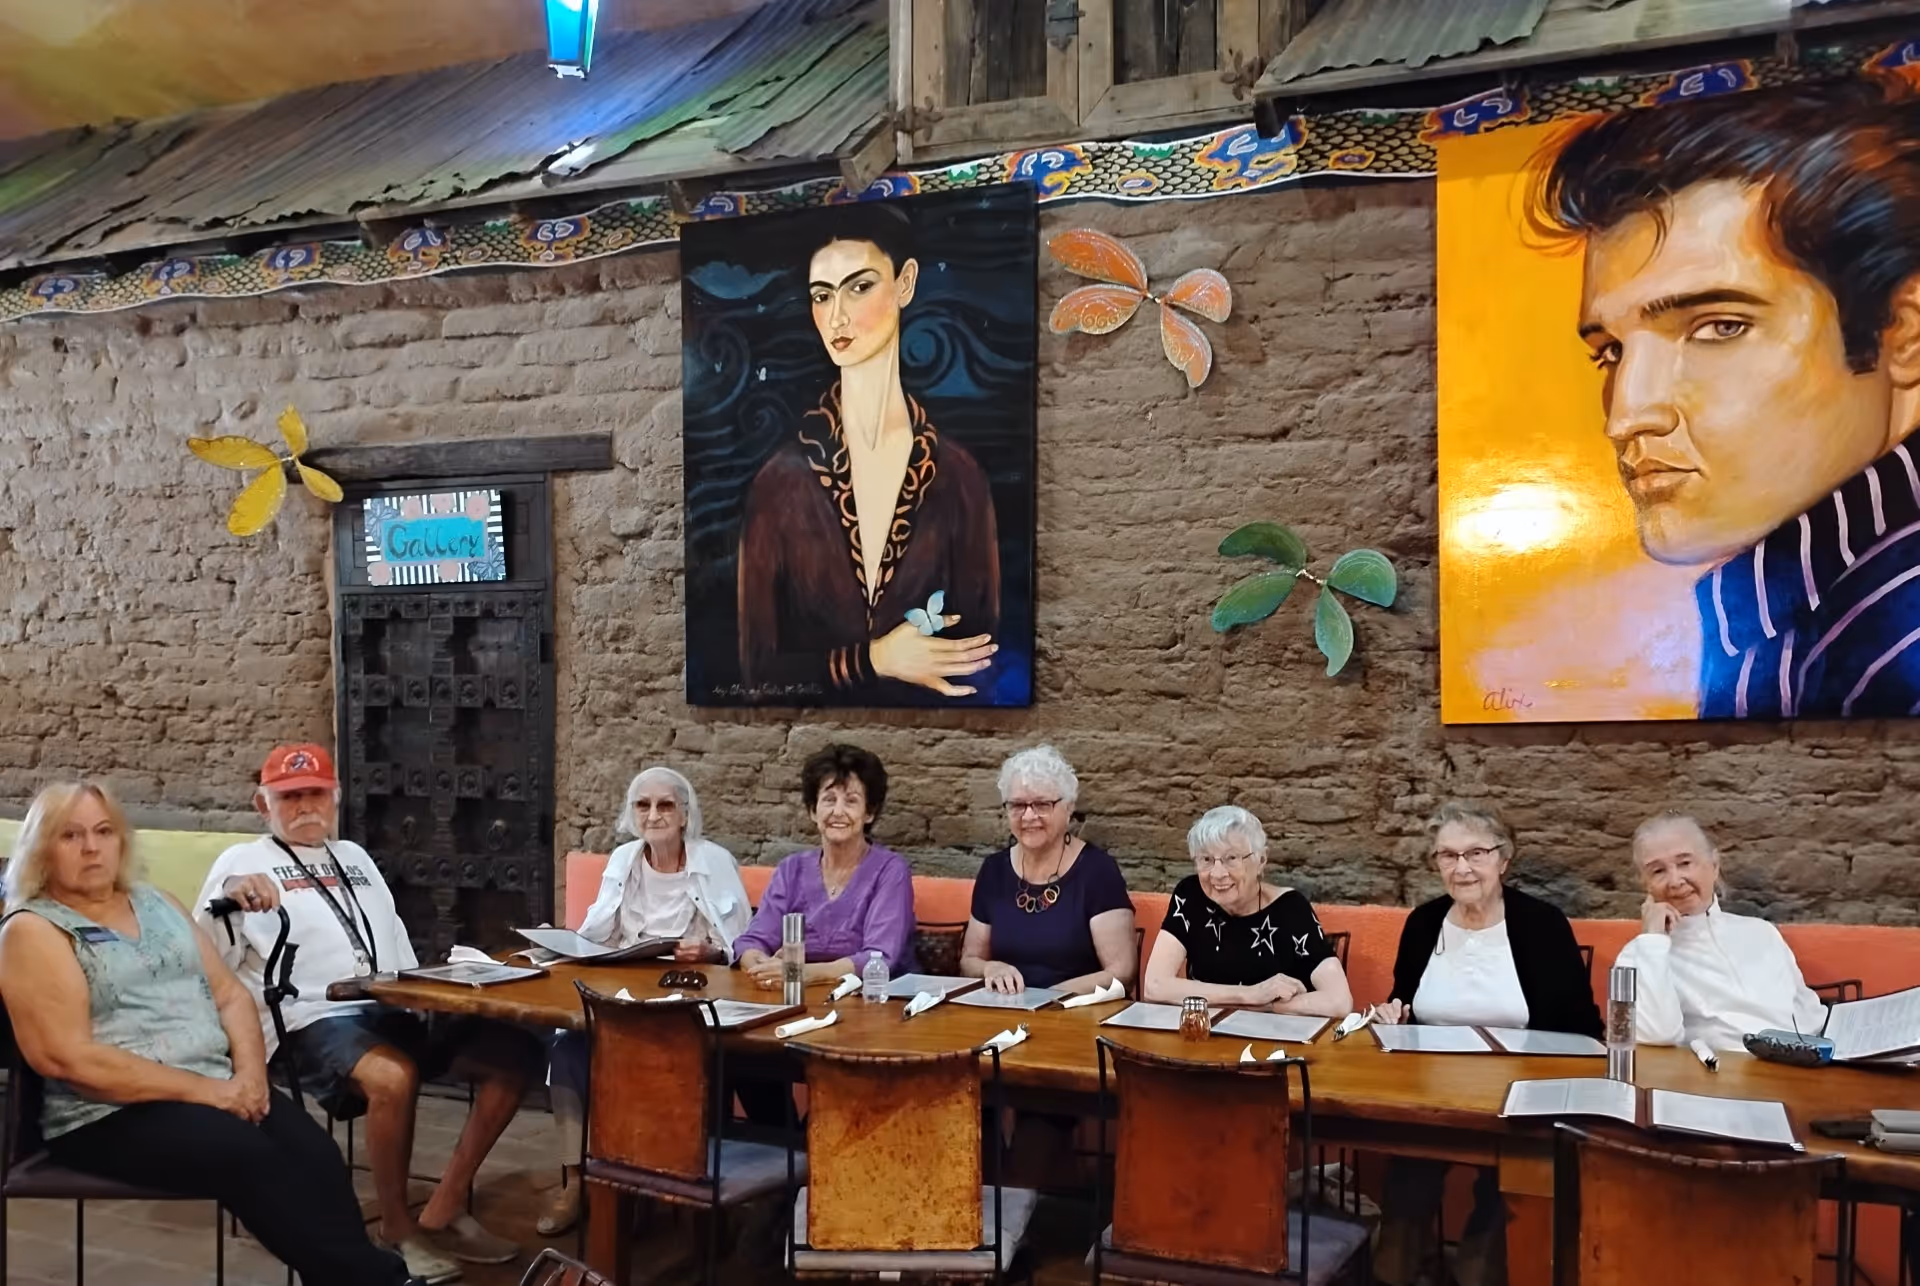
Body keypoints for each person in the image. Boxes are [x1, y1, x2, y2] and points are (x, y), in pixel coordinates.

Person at [1536, 82, 1920, 718]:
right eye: (1610, 351)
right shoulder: (1789, 609)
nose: (1627, 414)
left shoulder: (1893, 633)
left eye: (1717, 327)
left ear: (1901, 337)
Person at [0, 782, 418, 1286]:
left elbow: (230, 996)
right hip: (109, 1111)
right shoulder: (34, 930)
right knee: (247, 1156)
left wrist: (250, 1078)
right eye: (71, 835)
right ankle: (381, 1280)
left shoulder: (157, 904)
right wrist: (212, 1092)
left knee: (318, 1154)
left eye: (104, 831)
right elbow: (67, 1059)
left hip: (214, 1086)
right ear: (43, 849)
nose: (92, 847)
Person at [194, 744, 541, 1285]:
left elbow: (393, 938)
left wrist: (429, 992)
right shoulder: (242, 863)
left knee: (514, 1055)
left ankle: (443, 1208)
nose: (305, 806)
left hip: (388, 1003)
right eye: (290, 796)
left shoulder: (353, 856)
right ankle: (397, 1230)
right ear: (263, 805)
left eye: (315, 794)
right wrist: (232, 900)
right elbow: (206, 955)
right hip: (307, 1019)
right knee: (392, 1076)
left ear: (335, 797)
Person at [735, 201, 1001, 701]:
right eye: (821, 295)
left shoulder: (959, 476)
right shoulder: (780, 481)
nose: (837, 316)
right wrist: (873, 659)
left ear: (905, 283)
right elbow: (756, 672)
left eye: (860, 287)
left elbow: (982, 654)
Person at [1372, 801, 1602, 1286]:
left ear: (1504, 859)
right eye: (1447, 856)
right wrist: (1393, 1014)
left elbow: (1584, 1031)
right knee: (1407, 1186)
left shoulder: (1542, 925)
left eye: (1475, 853)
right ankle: (1394, 1274)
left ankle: (1479, 1273)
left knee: (1505, 1195)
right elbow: (1403, 1000)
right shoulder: (1423, 923)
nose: (1462, 868)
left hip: (1520, 1099)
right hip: (1429, 1096)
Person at [538, 766, 752, 1236]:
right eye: (643, 805)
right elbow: (597, 930)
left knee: (679, 1051)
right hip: (626, 993)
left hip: (690, 996)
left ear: (684, 814)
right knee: (568, 1045)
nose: (653, 815)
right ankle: (577, 1182)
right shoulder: (623, 860)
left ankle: (665, 1180)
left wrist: (711, 951)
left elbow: (744, 943)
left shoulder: (713, 860)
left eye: (665, 805)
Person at [1615, 813, 1826, 1051]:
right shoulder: (1636, 956)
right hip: (1713, 1081)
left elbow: (1811, 1018)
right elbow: (1657, 1034)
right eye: (1657, 871)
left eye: (1685, 863)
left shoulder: (1761, 933)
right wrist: (1653, 942)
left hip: (1795, 1072)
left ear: (1714, 866)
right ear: (1645, 884)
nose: (1675, 881)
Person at [733, 742, 915, 986]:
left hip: (875, 1002)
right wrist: (762, 966)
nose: (838, 812)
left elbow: (879, 957)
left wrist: (802, 973)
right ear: (812, 810)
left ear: (869, 813)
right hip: (794, 997)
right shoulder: (791, 870)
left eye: (851, 801)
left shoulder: (890, 871)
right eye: (829, 800)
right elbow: (753, 941)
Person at [959, 745, 1135, 996]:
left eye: (1042, 804)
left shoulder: (1097, 871)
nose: (1029, 816)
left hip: (1074, 1014)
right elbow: (969, 961)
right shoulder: (994, 870)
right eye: (1017, 805)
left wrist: (1049, 998)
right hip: (1003, 1012)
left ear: (1069, 807)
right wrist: (991, 968)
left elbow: (1122, 972)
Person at [1142, 806, 1351, 1016]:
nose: (1217, 874)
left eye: (1231, 858)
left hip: (1275, 1041)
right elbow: (1155, 986)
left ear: (1261, 861)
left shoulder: (1290, 909)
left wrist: (1265, 1005)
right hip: (1209, 1039)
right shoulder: (1191, 895)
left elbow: (1339, 1001)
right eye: (1206, 859)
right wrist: (1250, 994)